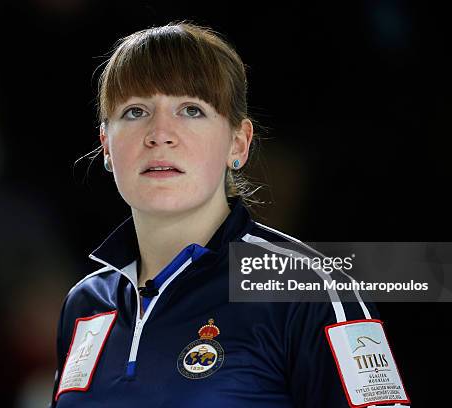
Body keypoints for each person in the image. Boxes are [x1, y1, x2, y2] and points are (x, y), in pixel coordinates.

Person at [49, 22, 410, 408]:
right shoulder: (85, 304)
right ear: (106, 144)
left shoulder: (307, 288)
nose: (159, 134)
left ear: (238, 143)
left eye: (191, 110)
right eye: (136, 111)